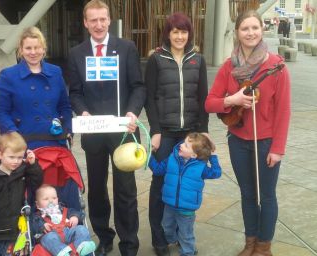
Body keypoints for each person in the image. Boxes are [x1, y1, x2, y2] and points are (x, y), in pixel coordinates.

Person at [205, 10, 291, 256]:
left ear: (261, 30)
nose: (250, 33)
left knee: (267, 195)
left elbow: (283, 111)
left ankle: (264, 247)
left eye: (255, 28)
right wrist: (232, 99)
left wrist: (278, 148)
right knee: (247, 194)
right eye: (245, 29)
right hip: (238, 141)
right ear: (237, 33)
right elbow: (209, 103)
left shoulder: (277, 66)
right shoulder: (228, 67)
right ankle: (250, 243)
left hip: (265, 143)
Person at [67, 1, 146, 255]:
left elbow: (138, 86)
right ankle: (104, 236)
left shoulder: (126, 48)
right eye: (93, 20)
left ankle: (129, 242)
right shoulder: (76, 53)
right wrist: (83, 112)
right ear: (85, 23)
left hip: (124, 130)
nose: (98, 25)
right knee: (97, 189)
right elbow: (75, 93)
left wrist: (133, 111)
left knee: (125, 189)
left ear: (109, 20)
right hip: (95, 132)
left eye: (103, 19)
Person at [144, 12, 209, 256]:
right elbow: (149, 98)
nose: (179, 36)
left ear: (189, 34)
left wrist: (203, 132)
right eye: (175, 31)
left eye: (183, 31)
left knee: (188, 184)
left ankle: (182, 236)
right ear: (168, 33)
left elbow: (202, 97)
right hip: (166, 132)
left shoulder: (198, 60)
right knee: (160, 184)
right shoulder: (156, 59)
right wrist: (156, 131)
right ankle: (160, 239)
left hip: (190, 133)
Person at [0, 26, 72, 150]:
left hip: (55, 141)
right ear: (21, 50)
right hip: (23, 143)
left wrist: (68, 129)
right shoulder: (8, 75)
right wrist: (12, 133)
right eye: (28, 48)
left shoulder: (55, 72)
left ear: (43, 48)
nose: (33, 52)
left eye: (37, 47)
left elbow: (64, 107)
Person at [149, 133, 221, 256]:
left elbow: (216, 173)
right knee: (166, 228)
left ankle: (188, 251)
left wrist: (213, 156)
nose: (181, 145)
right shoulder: (172, 158)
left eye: (186, 145)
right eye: (184, 142)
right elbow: (157, 169)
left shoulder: (201, 167)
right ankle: (175, 239)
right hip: (169, 205)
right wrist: (148, 155)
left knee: (186, 234)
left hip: (187, 209)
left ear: (194, 155)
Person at [32, 184, 96, 256]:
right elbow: (33, 226)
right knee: (48, 238)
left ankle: (83, 247)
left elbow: (76, 212)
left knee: (81, 229)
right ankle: (62, 253)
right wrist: (42, 226)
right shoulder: (37, 216)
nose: (51, 201)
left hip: (68, 233)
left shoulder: (62, 209)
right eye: (46, 199)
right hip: (52, 238)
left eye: (54, 198)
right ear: (37, 204)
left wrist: (75, 216)